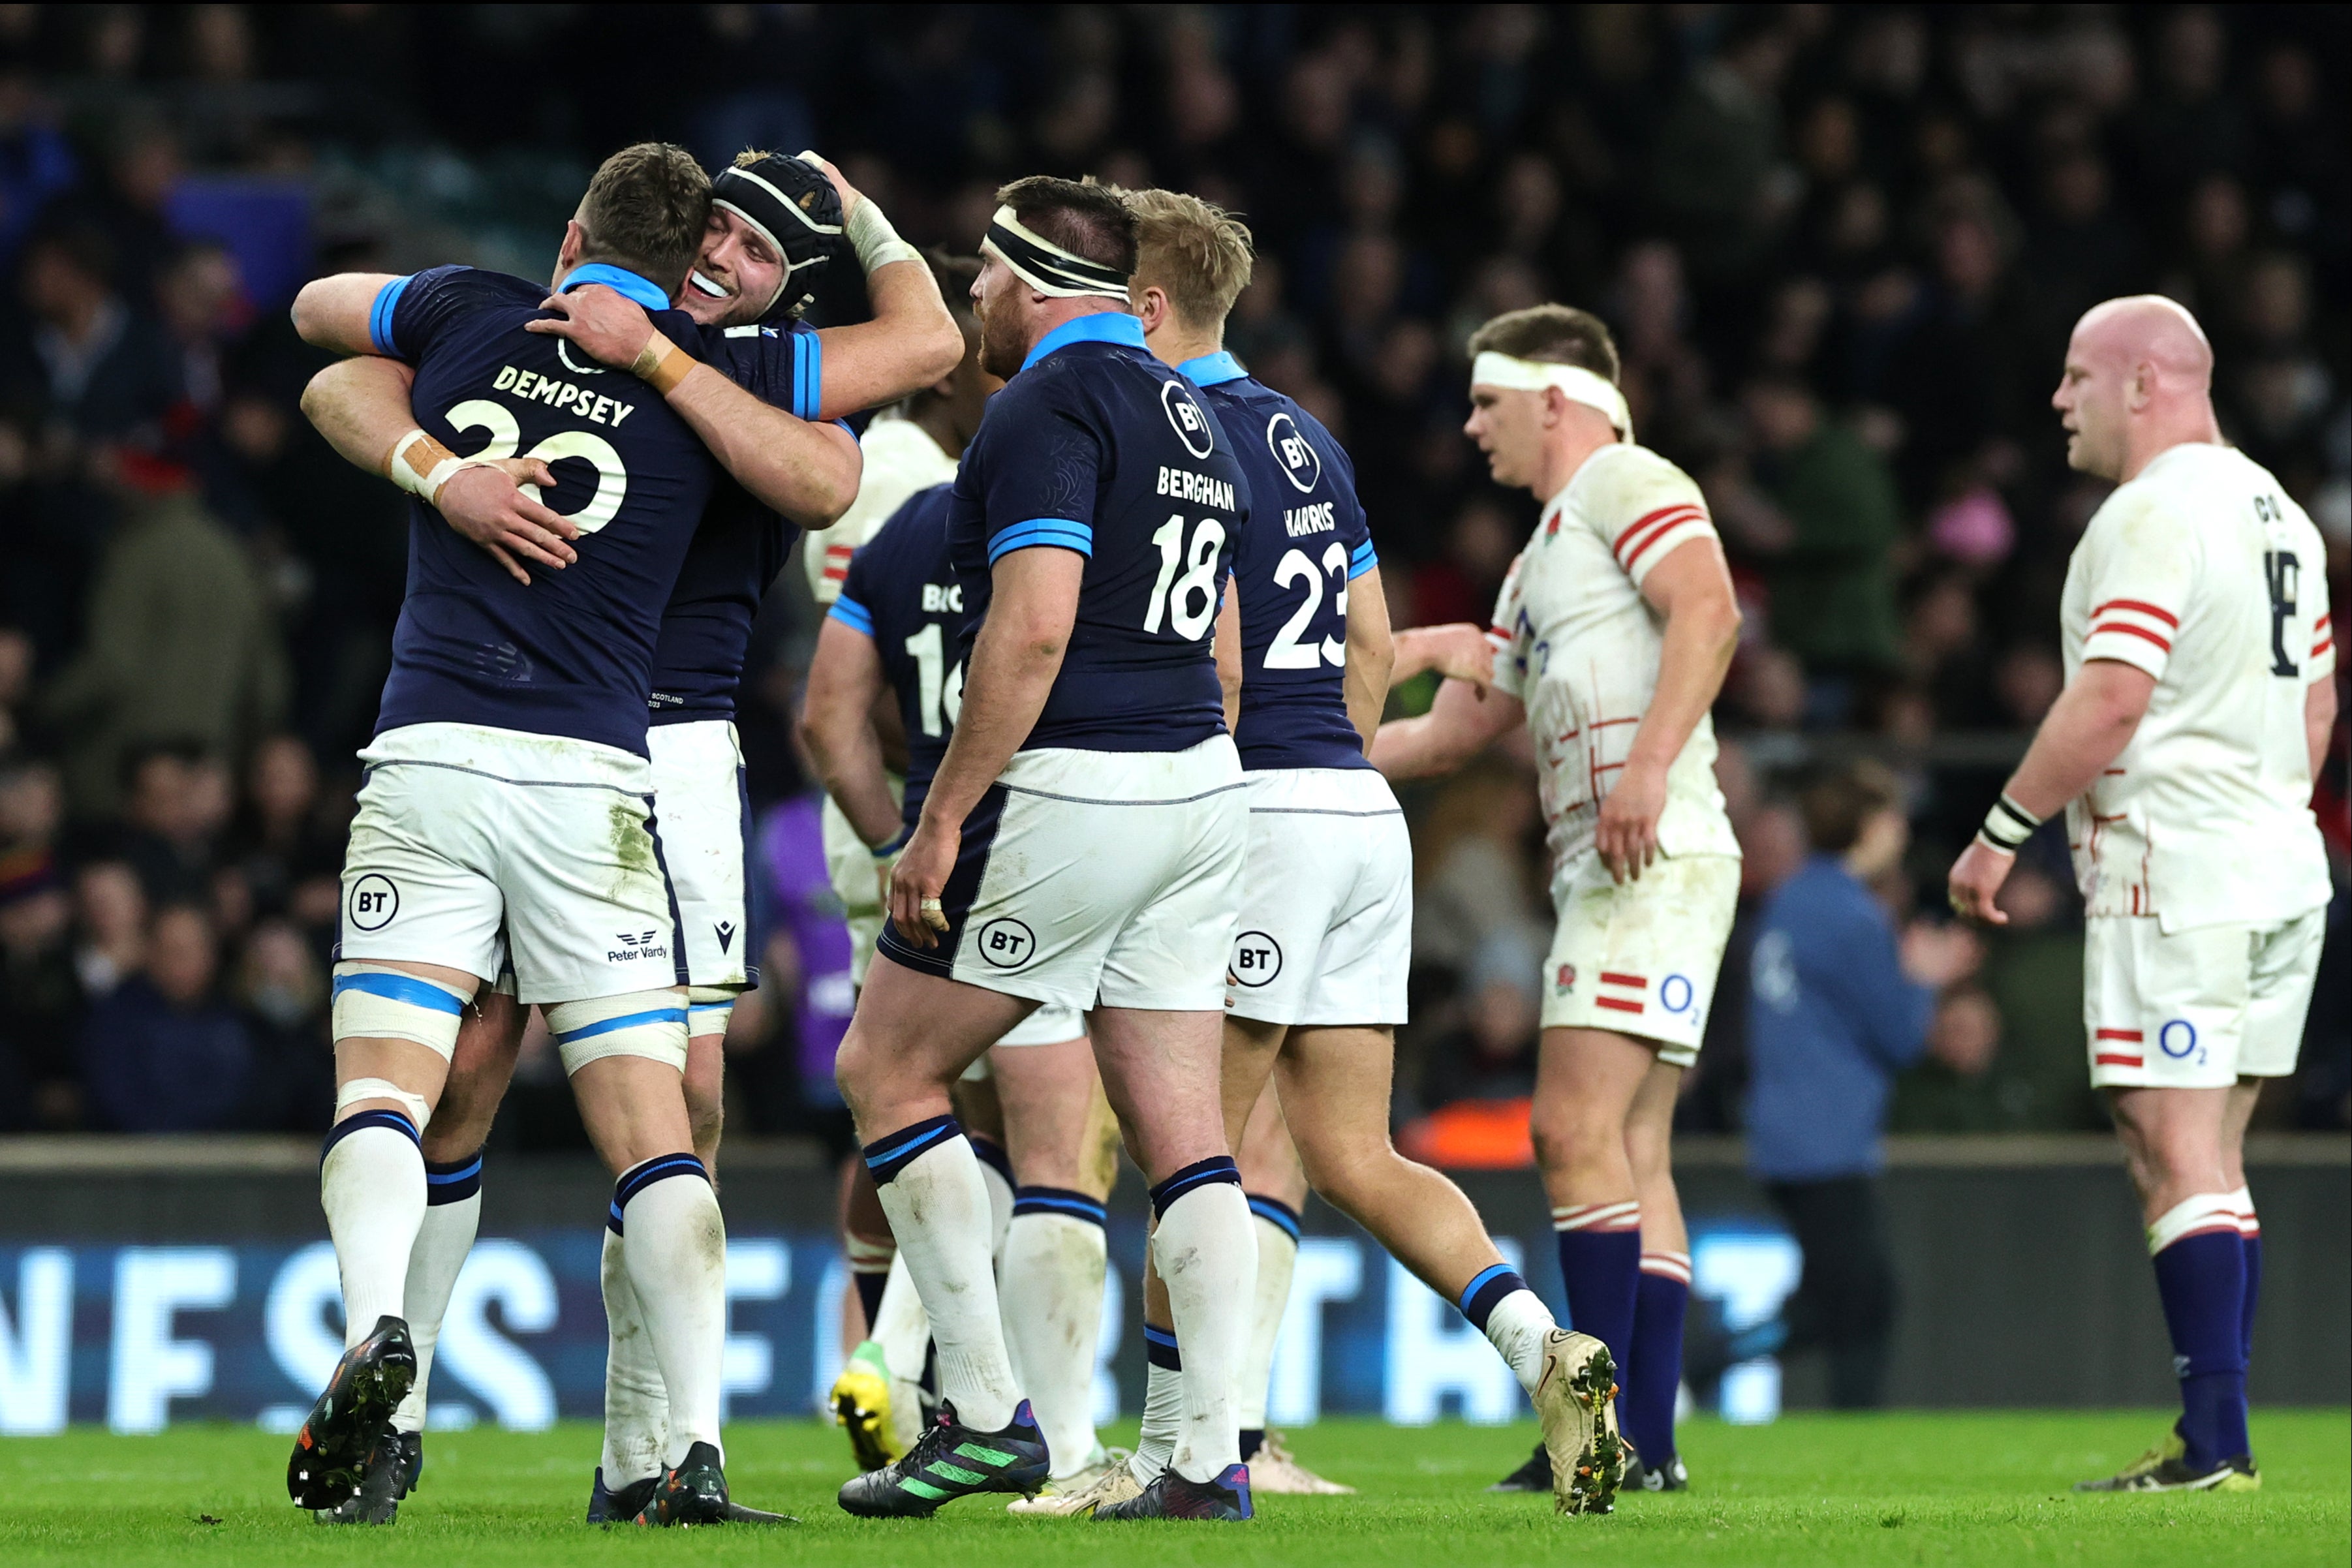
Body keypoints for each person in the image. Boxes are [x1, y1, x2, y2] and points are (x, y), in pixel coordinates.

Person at [298, 149, 954, 1524]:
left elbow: (835, 460)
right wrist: (438, 470)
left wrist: (660, 355)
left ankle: (647, 1454)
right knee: (488, 1072)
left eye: (766, 248)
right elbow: (338, 362)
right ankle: (395, 1417)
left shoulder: (746, 363)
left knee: (681, 1098)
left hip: (657, 748)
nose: (728, 253)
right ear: (668, 235)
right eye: (716, 224)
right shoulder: (535, 323)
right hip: (585, 751)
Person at [1085, 187, 1618, 1519]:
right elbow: (1371, 647)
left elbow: (1206, 642)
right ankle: (1539, 1347)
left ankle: (1179, 1448)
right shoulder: (1306, 435)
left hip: (1252, 807)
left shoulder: (1160, 430)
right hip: (1350, 811)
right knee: (1344, 1147)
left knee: (1189, 1140)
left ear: (1146, 303)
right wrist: (1337, 749)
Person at [829, 176, 1253, 1523]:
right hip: (1200, 779)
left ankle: (988, 1410)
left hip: (1086, 783)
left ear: (1025, 278)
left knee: (885, 1067)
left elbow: (1030, 628)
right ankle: (1203, 1461)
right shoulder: (1193, 408)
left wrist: (943, 814)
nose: (967, 303)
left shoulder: (1042, 406)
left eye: (979, 281)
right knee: (1186, 1140)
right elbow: (1224, 650)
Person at [1948, 295, 2334, 1494]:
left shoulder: (2147, 512)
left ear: (2141, 383)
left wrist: (1997, 831)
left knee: (2171, 1148)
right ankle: (2211, 1436)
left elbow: (2111, 694)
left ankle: (2212, 1446)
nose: (2056, 400)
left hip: (2177, 870)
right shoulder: (2279, 512)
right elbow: (2317, 707)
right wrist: (2258, 807)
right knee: (2208, 1152)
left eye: (2074, 377)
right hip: (2280, 864)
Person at [1373, 303, 1745, 1496]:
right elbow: (1454, 732)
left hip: (1650, 844)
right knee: (1632, 1145)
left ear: (1553, 397)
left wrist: (1642, 767)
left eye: (1485, 401)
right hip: (1625, 856)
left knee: (1568, 1130)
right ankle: (1647, 1443)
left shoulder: (1625, 477)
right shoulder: (1541, 559)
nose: (1471, 425)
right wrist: (1290, 752)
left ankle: (1596, 1428)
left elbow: (1709, 606)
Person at [798, 266, 1128, 1502]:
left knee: (902, 1094)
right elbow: (1048, 646)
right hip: (1003, 834)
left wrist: (885, 840)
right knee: (1054, 1142)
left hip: (883, 845)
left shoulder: (864, 504)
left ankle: (902, 1363)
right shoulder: (979, 500)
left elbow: (825, 711)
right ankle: (1051, 1425)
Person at [1745, 761, 1979, 1408]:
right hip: (1827, 1136)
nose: (1901, 832)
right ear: (1869, 827)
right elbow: (1901, 1037)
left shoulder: (1791, 898)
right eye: (1893, 819)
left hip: (1783, 1126)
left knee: (1840, 1297)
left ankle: (1702, 1365)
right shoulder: (1853, 915)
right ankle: (1702, 1366)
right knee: (1864, 1303)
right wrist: (1926, 976)